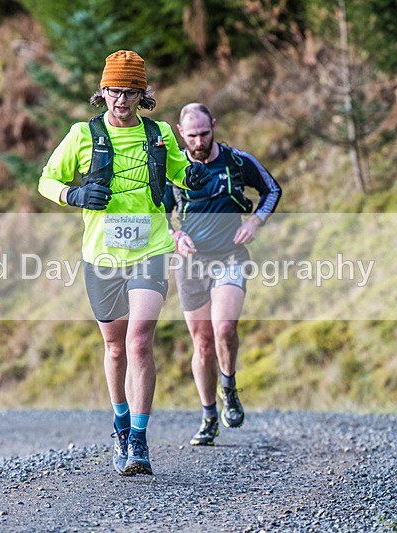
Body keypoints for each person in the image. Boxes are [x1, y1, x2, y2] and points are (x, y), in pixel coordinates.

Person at [37, 51, 211, 475]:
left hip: (151, 249)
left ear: (141, 94)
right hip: (101, 256)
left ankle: (138, 439)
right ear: (103, 92)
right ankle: (119, 420)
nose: (121, 100)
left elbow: (177, 171)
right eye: (115, 91)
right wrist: (73, 195)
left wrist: (192, 175)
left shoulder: (160, 134)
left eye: (131, 92)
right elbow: (47, 179)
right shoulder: (82, 134)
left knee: (139, 341)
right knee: (115, 347)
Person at [163, 102, 281, 446]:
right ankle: (208, 415)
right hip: (191, 263)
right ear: (180, 133)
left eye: (205, 133)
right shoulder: (173, 168)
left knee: (225, 328)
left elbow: (272, 189)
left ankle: (228, 389)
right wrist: (175, 236)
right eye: (192, 135)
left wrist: (255, 221)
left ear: (214, 125)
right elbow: (157, 211)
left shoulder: (237, 161)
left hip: (230, 255)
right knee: (202, 344)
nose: (199, 141)